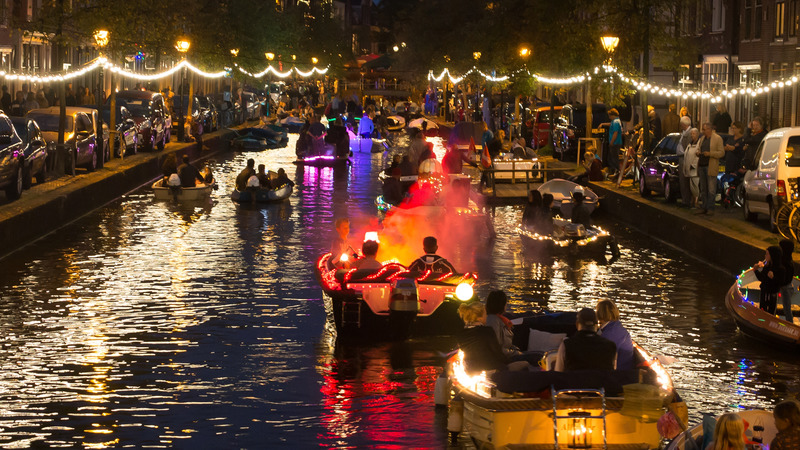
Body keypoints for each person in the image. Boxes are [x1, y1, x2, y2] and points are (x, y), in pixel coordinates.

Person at [457, 301, 528, 374]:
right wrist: (510, 360)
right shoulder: (487, 331)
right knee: (526, 363)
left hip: (471, 370)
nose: (487, 316)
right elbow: (498, 354)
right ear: (479, 318)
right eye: (485, 314)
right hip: (492, 370)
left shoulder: (461, 334)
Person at [695, 123, 725, 215]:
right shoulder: (702, 139)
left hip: (710, 166)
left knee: (711, 189)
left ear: (709, 129)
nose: (703, 131)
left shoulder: (717, 138)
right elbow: (698, 148)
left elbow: (721, 153)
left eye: (704, 129)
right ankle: (704, 206)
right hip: (702, 165)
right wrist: (698, 152)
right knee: (703, 188)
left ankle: (710, 207)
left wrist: (710, 154)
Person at [596, 300, 634, 370]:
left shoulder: (609, 334)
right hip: (624, 368)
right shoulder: (617, 328)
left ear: (599, 314)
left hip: (618, 374)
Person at [755, 246, 785, 315]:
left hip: (772, 294)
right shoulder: (767, 266)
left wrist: (773, 277)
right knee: (762, 309)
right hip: (764, 292)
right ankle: (761, 321)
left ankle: (768, 323)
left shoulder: (781, 269)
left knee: (771, 312)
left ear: (773, 256)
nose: (765, 256)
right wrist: (756, 271)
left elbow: (781, 282)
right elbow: (762, 278)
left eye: (767, 254)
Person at [676, 116, 694, 207]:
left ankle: (686, 200)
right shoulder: (684, 133)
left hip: (685, 158)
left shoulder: (690, 134)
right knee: (683, 180)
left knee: (684, 180)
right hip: (682, 157)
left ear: (683, 124)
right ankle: (686, 200)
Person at [779, 239, 795, 323]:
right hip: (787, 286)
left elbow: (785, 279)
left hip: (785, 288)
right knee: (787, 308)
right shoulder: (789, 260)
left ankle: (790, 324)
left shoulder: (785, 263)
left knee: (787, 308)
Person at [684, 128, 701, 208]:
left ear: (697, 134)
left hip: (694, 169)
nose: (692, 135)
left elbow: (697, 156)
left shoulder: (699, 143)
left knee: (695, 185)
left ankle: (696, 201)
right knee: (691, 186)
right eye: (691, 134)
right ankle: (693, 200)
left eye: (693, 134)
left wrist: (693, 165)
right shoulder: (690, 144)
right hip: (689, 168)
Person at [606, 108, 624, 176]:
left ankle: (616, 172)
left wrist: (612, 142)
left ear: (612, 115)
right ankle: (614, 172)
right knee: (612, 157)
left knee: (613, 158)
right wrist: (602, 124)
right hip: (616, 142)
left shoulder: (616, 122)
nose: (609, 117)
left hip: (615, 142)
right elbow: (610, 124)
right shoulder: (616, 121)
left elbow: (615, 133)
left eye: (609, 115)